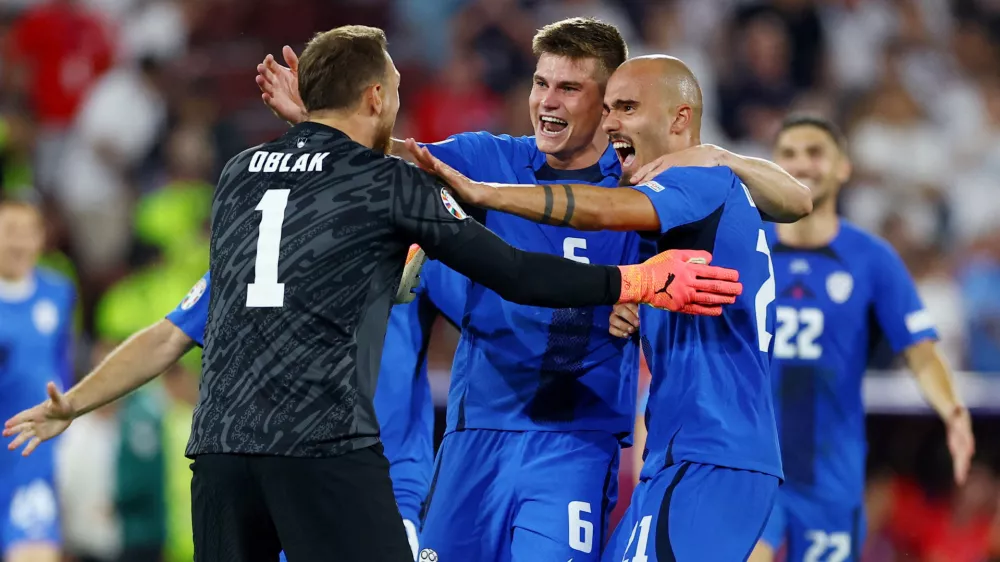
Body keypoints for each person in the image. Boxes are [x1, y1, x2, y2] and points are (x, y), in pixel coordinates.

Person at [256, 18, 811, 562]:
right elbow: (400, 155)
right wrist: (316, 120)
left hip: (575, 446)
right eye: (541, 84)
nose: (548, 102)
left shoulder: (641, 190)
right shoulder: (489, 156)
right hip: (476, 438)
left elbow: (791, 201)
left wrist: (722, 160)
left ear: (608, 103)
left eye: (570, 89)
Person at [409, 54, 786, 561]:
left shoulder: (696, 182)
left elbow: (601, 209)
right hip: (678, 456)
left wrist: (489, 195)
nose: (611, 123)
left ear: (679, 119)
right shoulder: (702, 194)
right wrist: (631, 301)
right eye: (609, 109)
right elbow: (797, 200)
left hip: (710, 453)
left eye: (626, 108)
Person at [741, 116, 970, 562]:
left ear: (843, 167)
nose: (802, 163)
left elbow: (920, 352)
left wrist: (954, 411)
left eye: (815, 152)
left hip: (831, 469)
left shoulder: (872, 257)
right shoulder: (747, 246)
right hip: (755, 461)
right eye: (789, 154)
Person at [0, 201, 74, 562]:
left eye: (28, 233)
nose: (19, 243)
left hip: (31, 455)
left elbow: (61, 364)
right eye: (9, 232)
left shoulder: (58, 292)